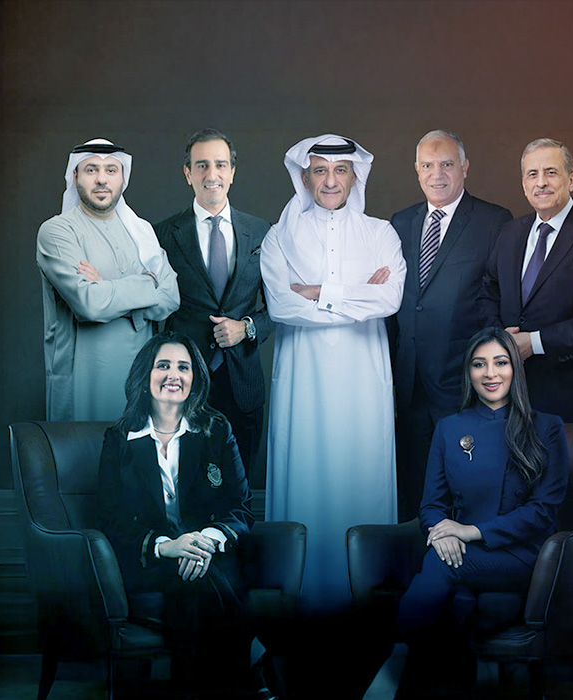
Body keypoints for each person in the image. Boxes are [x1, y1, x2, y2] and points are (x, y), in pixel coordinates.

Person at [260, 134, 406, 613]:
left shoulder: (381, 232)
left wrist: (318, 291)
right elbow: (282, 306)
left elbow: (389, 299)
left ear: (355, 176)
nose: (329, 180)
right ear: (304, 177)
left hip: (364, 381)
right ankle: (301, 595)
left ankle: (365, 597)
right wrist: (357, 294)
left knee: (362, 470)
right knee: (304, 470)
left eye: (340, 170)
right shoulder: (279, 236)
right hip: (303, 382)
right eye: (319, 170)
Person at [97, 331, 274, 699]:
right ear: (146, 375)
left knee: (195, 581)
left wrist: (203, 542)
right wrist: (167, 546)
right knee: (196, 581)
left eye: (184, 367)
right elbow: (111, 517)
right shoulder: (119, 439)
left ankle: (192, 689)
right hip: (150, 558)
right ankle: (249, 675)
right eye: (163, 365)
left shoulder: (217, 430)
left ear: (195, 378)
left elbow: (240, 506)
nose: (173, 375)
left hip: (210, 553)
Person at [395, 327, 570, 697]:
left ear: (515, 369)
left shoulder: (546, 427)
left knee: (440, 570)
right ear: (469, 372)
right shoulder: (449, 428)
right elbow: (431, 505)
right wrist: (442, 532)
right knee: (466, 605)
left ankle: (391, 660)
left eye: (500, 362)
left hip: (521, 555)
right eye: (479, 364)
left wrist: (468, 532)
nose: (490, 373)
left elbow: (543, 512)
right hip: (463, 553)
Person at [390, 129, 513, 522]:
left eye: (446, 164)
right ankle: (417, 556)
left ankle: (464, 555)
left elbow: (499, 300)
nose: (437, 174)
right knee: (412, 487)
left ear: (465, 167)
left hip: (460, 381)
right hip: (408, 384)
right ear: (416, 170)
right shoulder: (400, 222)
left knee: (465, 486)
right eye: (428, 165)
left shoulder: (494, 221)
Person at [479, 138, 573, 422]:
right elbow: (489, 290)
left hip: (572, 403)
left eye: (551, 172)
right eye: (532, 174)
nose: (541, 183)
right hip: (508, 398)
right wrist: (499, 338)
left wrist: (536, 342)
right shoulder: (510, 232)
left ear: (571, 179)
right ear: (524, 184)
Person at [36, 138, 180, 421]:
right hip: (83, 384)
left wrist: (105, 287)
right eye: (91, 170)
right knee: (84, 449)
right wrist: (147, 283)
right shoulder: (57, 231)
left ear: (123, 178)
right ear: (75, 176)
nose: (102, 179)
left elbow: (171, 298)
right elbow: (89, 304)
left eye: (111, 170)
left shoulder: (141, 232)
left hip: (141, 381)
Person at [156, 129, 274, 474]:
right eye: (202, 165)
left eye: (220, 165)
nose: (212, 174)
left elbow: (279, 309)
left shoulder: (262, 232)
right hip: (183, 381)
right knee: (184, 480)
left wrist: (246, 328)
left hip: (243, 382)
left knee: (239, 482)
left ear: (232, 172)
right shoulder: (162, 234)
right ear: (187, 173)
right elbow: (151, 304)